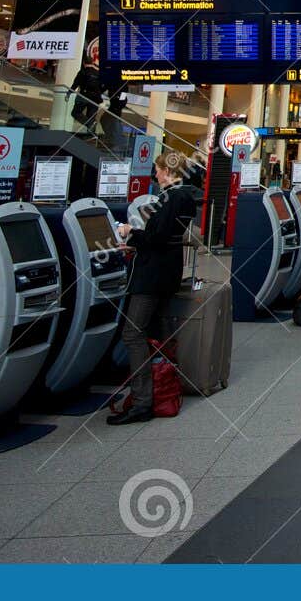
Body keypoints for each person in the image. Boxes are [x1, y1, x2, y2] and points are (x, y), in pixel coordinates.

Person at [109, 154, 202, 424]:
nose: (156, 175)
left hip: (151, 276)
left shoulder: (170, 198)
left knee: (132, 331)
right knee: (156, 330)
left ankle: (142, 402)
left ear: (165, 171)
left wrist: (130, 233)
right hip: (169, 272)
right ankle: (162, 389)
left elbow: (157, 237)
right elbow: (171, 235)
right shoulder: (186, 198)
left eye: (158, 171)